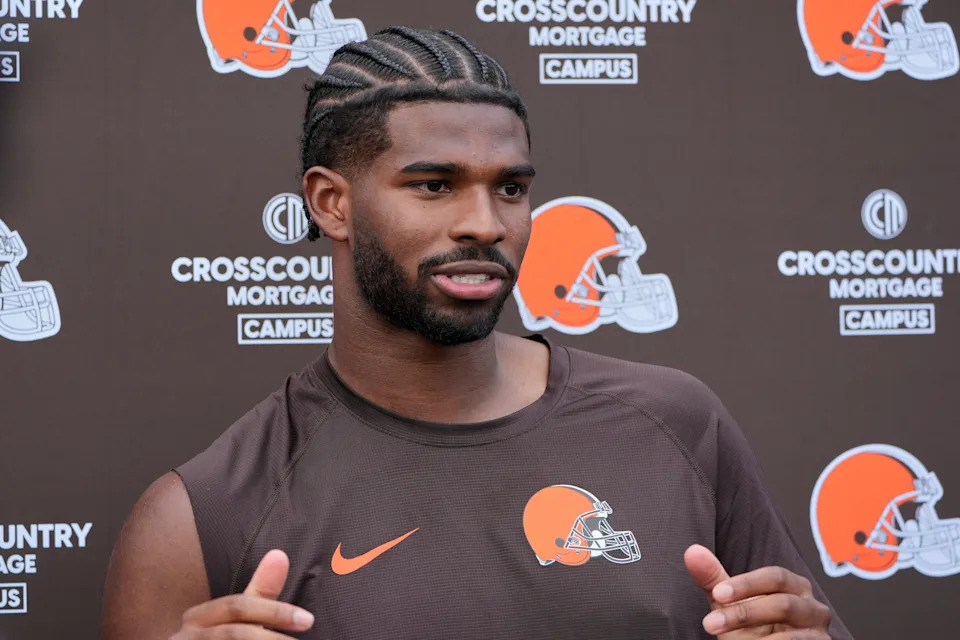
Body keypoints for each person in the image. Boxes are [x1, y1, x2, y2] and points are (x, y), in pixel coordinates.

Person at [101, 26, 852, 640]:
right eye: (433, 185)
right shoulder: (196, 519)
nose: (487, 225)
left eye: (512, 189)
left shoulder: (677, 423)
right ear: (331, 204)